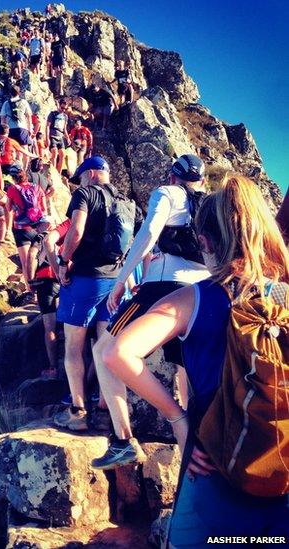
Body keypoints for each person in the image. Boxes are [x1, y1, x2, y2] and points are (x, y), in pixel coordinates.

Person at [95, 174, 289, 543]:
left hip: (212, 461)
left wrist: (179, 418)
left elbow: (115, 351)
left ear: (204, 242)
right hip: (281, 463)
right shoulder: (284, 294)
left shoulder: (192, 299)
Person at [90, 154, 210, 468]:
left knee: (105, 349)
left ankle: (123, 439)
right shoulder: (209, 205)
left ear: (173, 176)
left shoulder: (168, 193)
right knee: (186, 375)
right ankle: (193, 468)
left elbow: (149, 234)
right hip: (200, 293)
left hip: (161, 290)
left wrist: (121, 279)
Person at [52, 156, 135, 431]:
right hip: (115, 281)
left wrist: (64, 262)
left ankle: (77, 412)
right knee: (104, 345)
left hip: (86, 279)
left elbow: (75, 231)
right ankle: (103, 409)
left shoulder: (84, 194)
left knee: (73, 346)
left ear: (90, 174)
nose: (80, 181)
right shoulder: (123, 200)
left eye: (81, 176)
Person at [27, 219, 71, 379]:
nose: (36, 228)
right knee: (68, 324)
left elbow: (32, 255)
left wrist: (30, 280)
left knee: (49, 327)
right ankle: (70, 362)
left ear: (47, 225)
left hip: (46, 281)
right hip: (65, 280)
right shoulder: (65, 237)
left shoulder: (42, 237)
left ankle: (53, 368)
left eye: (38, 225)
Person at [6, 164, 50, 289]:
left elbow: (8, 208)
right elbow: (44, 209)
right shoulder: (36, 187)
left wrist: (16, 206)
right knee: (38, 259)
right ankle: (42, 288)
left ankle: (31, 290)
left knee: (26, 263)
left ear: (13, 177)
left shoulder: (13, 189)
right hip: (37, 229)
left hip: (21, 229)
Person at [0, 85, 33, 158]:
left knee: (13, 150)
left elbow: (2, 119)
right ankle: (23, 168)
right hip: (22, 128)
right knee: (24, 150)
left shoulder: (6, 103)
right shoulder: (24, 102)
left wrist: (4, 131)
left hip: (10, 129)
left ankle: (16, 167)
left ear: (10, 93)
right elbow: (29, 117)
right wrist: (30, 129)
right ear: (19, 93)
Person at [46, 98, 70, 173]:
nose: (63, 110)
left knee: (62, 154)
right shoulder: (53, 114)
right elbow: (47, 126)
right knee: (54, 153)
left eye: (65, 109)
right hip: (53, 136)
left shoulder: (65, 116)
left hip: (60, 137)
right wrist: (47, 138)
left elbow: (64, 128)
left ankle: (58, 174)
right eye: (62, 108)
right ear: (58, 105)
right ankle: (53, 173)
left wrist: (68, 138)